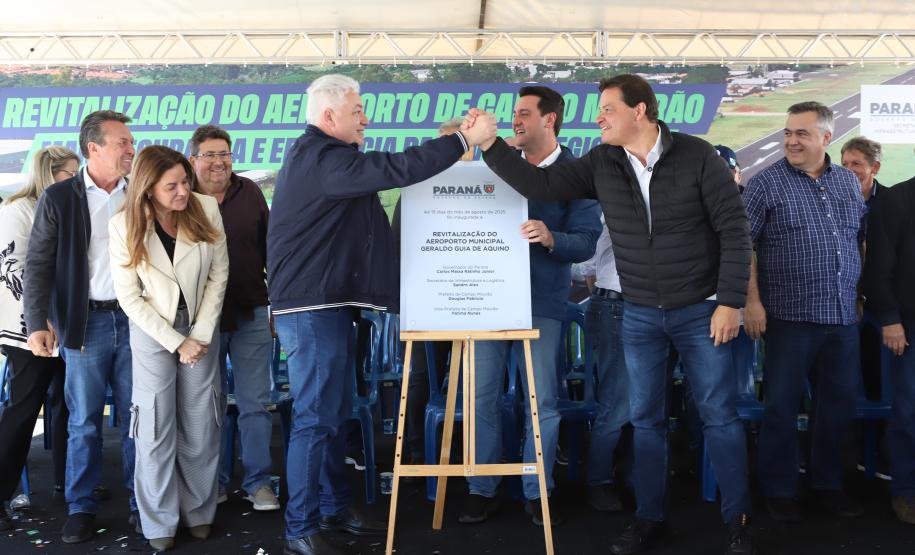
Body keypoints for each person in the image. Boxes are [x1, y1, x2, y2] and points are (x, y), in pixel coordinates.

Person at [471, 73, 754, 555]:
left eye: (607, 109)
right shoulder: (602, 161)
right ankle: (650, 517)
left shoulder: (696, 155)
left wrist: (730, 301)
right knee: (645, 421)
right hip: (640, 313)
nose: (598, 117)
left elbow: (734, 229)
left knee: (719, 416)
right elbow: (540, 181)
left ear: (639, 111)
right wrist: (492, 144)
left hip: (699, 310)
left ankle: (738, 521)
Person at [267, 74, 495, 555]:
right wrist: (460, 142)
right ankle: (301, 528)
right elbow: (395, 169)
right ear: (329, 117)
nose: (365, 118)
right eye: (356, 111)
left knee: (331, 414)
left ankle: (331, 508)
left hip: (328, 306)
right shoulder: (322, 158)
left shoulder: (326, 157)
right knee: (315, 419)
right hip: (313, 308)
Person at [457, 86, 601, 527]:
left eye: (523, 114)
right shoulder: (495, 167)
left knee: (542, 402)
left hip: (542, 304)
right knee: (480, 397)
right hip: (486, 301)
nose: (515, 121)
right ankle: (481, 488)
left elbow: (586, 242)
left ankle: (537, 490)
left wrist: (552, 237)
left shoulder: (577, 174)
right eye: (514, 114)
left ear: (550, 119)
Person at [743, 102, 866, 522]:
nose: (792, 141)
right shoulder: (766, 184)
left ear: (826, 138)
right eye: (788, 133)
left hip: (842, 317)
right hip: (788, 318)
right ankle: (777, 491)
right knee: (781, 406)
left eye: (802, 134)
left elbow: (858, 239)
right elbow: (743, 246)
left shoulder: (849, 183)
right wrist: (752, 301)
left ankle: (827, 485)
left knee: (836, 407)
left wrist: (859, 291)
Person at [23, 110, 138, 544]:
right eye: (122, 143)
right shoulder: (60, 198)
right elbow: (38, 265)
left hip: (136, 321)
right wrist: (37, 322)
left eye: (130, 142)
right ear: (94, 148)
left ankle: (141, 503)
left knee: (136, 418)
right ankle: (81, 505)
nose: (131, 149)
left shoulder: (140, 193)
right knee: (84, 420)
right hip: (83, 323)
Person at [108, 145, 228, 551]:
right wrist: (177, 342)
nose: (183, 192)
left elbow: (218, 275)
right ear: (147, 189)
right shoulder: (123, 224)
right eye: (171, 186)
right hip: (153, 332)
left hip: (201, 327)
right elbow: (130, 299)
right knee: (155, 425)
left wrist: (202, 334)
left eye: (185, 182)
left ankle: (199, 513)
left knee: (200, 422)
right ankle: (159, 521)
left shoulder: (206, 208)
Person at [188, 125, 279, 511]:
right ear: (193, 160)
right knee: (206, 405)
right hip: (197, 322)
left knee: (255, 402)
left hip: (252, 311)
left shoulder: (251, 192)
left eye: (224, 154)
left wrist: (276, 304)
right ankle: (212, 485)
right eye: (210, 155)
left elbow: (272, 250)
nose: (219, 162)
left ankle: (258, 483)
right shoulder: (181, 197)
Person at [0, 146, 78, 527]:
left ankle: (70, 484)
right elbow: (19, 273)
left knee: (69, 408)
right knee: (24, 410)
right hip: (26, 332)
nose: (76, 183)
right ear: (49, 173)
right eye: (69, 175)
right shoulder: (17, 210)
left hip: (66, 326)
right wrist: (40, 325)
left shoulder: (67, 208)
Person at [862, 171, 915, 525]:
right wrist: (890, 319)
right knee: (909, 414)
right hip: (907, 326)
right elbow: (878, 268)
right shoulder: (896, 200)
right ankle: (906, 491)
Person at [580, 219, 629, 513]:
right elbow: (590, 268)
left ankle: (628, 476)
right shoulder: (613, 191)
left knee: (633, 401)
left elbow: (590, 270)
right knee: (617, 401)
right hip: (618, 304)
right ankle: (599, 481)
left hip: (623, 302)